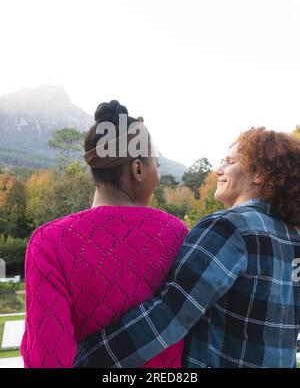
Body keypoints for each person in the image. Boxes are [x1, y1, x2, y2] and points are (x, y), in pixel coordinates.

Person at [75, 127, 300, 368]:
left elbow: (170, 313)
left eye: (230, 162)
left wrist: (87, 359)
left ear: (260, 174)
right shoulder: (292, 238)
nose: (218, 170)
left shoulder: (228, 228)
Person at [20, 100, 188, 368]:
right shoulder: (178, 234)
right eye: (156, 164)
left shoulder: (49, 243)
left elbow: (47, 359)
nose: (158, 175)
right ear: (138, 169)